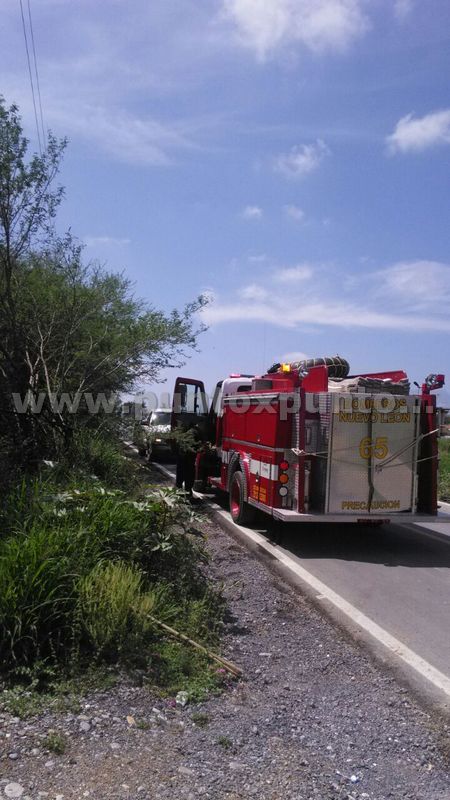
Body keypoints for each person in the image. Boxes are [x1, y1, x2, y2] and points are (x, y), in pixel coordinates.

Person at [175, 422, 204, 499]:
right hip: (188, 458)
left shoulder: (186, 433)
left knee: (180, 476)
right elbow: (199, 446)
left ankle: (180, 494)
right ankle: (187, 494)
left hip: (182, 457)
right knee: (189, 476)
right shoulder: (196, 433)